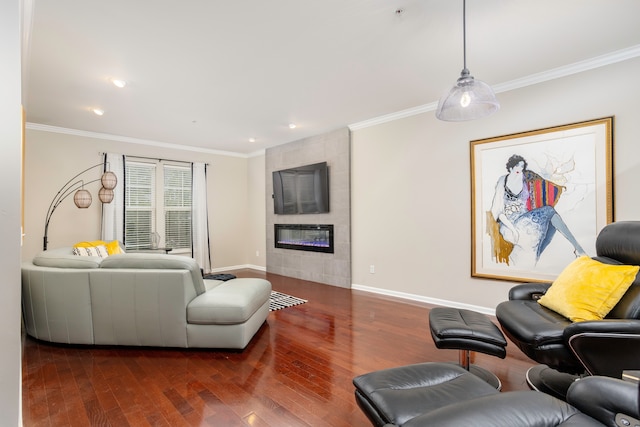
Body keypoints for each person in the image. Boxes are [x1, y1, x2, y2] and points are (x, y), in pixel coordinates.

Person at [488, 154, 586, 267]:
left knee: (551, 223)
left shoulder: (526, 177)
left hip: (526, 218)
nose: (520, 169)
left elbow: (544, 181)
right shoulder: (503, 181)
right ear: (510, 168)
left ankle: (576, 248)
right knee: (550, 212)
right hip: (508, 224)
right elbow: (498, 212)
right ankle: (578, 248)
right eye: (517, 166)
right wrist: (513, 230)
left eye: (522, 166)